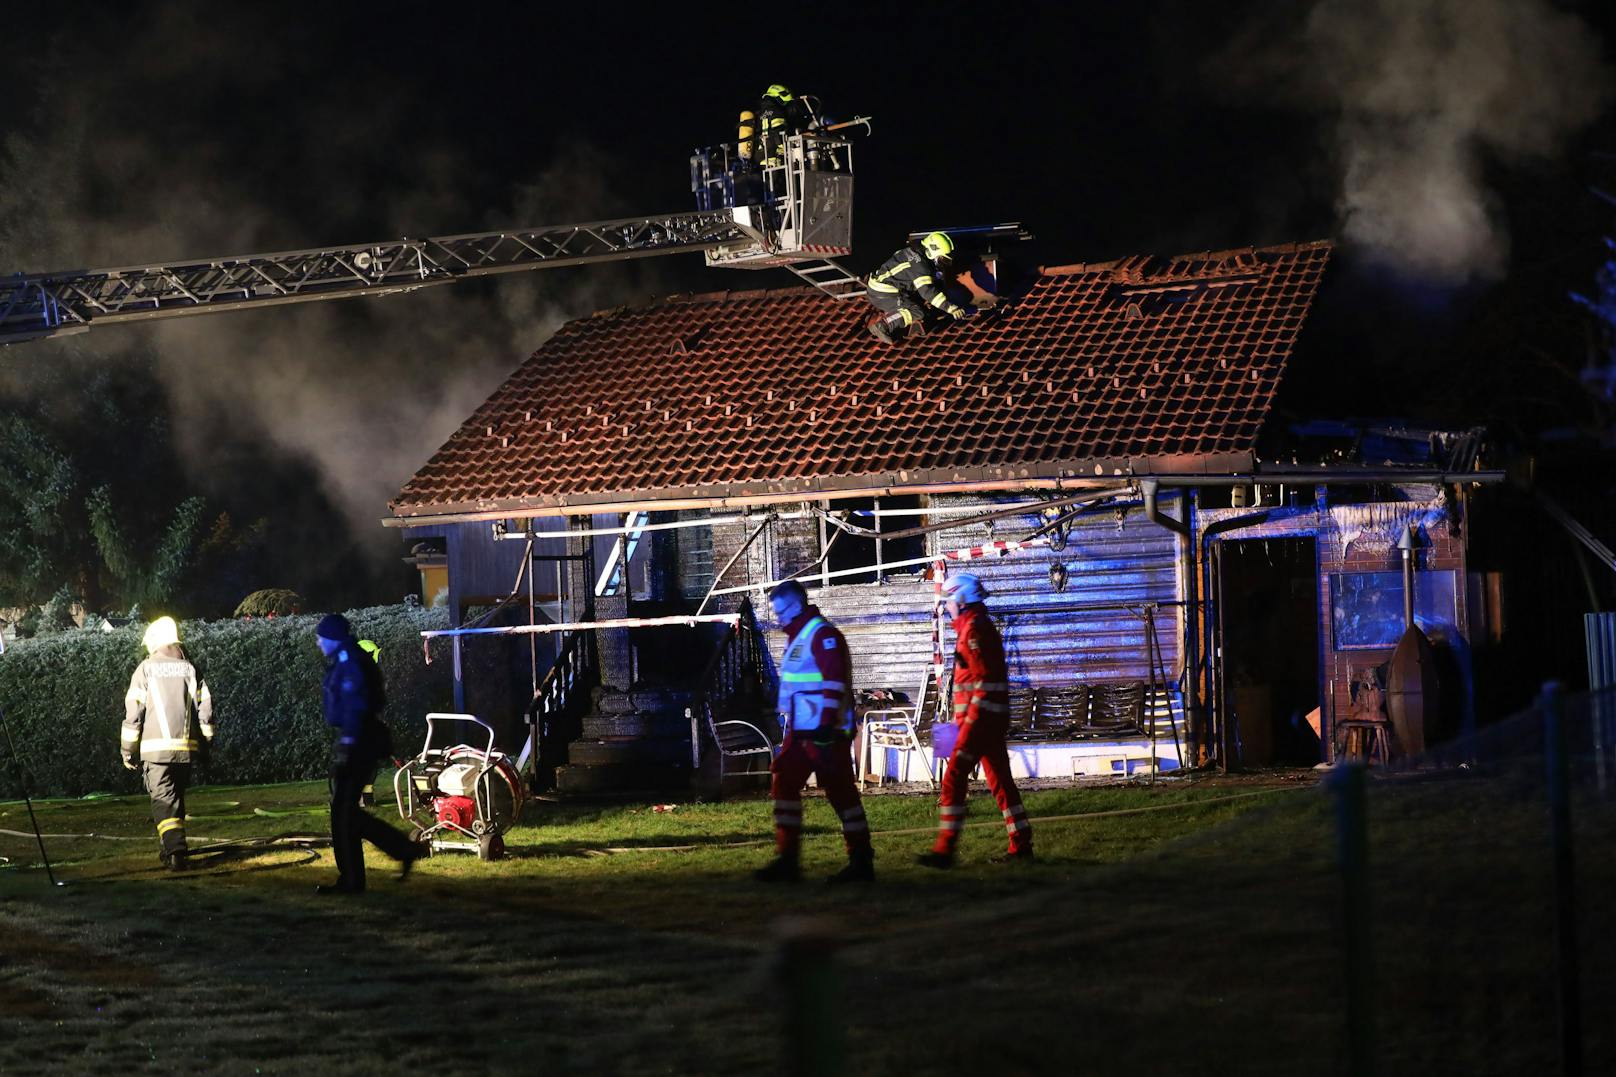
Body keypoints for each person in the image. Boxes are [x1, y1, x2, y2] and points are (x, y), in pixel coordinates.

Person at [753, 580, 875, 884]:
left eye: (779, 611)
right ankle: (790, 860)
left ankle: (858, 861)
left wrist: (824, 723)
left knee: (841, 793)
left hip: (823, 731)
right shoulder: (802, 636)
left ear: (793, 607)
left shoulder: (821, 635)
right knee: (786, 783)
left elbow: (833, 681)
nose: (777, 618)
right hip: (804, 730)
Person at [919, 573, 1033, 868]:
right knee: (1001, 784)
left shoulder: (973, 631)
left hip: (979, 720)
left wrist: (968, 724)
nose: (946, 609)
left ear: (960, 599)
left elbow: (982, 682)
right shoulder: (974, 628)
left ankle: (945, 850)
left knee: (953, 778)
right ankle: (1021, 844)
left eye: (948, 603)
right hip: (985, 719)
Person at [315, 614, 423, 895]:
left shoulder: (348, 661)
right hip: (360, 739)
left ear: (333, 638)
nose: (318, 642)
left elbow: (355, 705)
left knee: (343, 813)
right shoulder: (348, 657)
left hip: (359, 741)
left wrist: (348, 744)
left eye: (321, 637)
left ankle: (356, 879)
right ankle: (397, 853)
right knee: (346, 813)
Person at [121, 616, 213, 871]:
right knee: (176, 800)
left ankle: (175, 852)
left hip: (155, 751)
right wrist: (206, 743)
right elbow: (205, 709)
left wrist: (127, 751)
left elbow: (133, 713)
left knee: (163, 800)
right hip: (185, 750)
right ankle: (172, 847)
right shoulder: (190, 669)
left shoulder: (145, 669)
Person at [864, 232, 970, 344]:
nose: (944, 265)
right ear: (931, 252)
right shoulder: (921, 267)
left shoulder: (912, 252)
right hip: (883, 293)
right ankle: (884, 325)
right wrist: (950, 308)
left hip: (880, 288)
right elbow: (928, 292)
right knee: (917, 311)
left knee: (920, 303)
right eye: (943, 260)